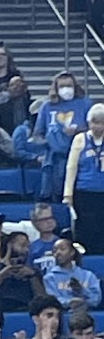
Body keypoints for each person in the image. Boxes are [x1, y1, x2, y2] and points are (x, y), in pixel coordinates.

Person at [63, 102, 104, 254]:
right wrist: (68, 194)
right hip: (84, 191)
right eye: (95, 122)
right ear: (89, 122)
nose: (98, 127)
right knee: (86, 226)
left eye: (102, 123)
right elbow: (71, 167)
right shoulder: (80, 139)